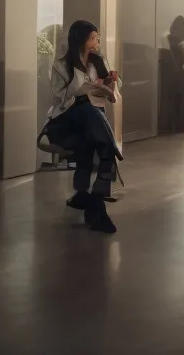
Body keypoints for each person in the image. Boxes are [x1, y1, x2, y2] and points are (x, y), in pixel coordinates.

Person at [44, 19, 122, 233]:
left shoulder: (99, 62)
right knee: (90, 114)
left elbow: (112, 93)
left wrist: (110, 82)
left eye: (98, 38)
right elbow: (59, 98)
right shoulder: (62, 65)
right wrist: (79, 90)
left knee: (91, 127)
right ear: (81, 40)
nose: (97, 41)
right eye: (93, 38)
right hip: (68, 117)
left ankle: (89, 197)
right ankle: (96, 198)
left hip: (92, 116)